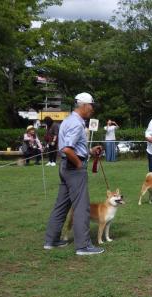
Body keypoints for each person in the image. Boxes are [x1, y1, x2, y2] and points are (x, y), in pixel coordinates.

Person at [44, 92, 105, 255]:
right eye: (91, 105)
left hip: (65, 167)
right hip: (73, 168)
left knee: (61, 205)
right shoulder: (77, 124)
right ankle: (83, 246)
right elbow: (67, 149)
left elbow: (72, 147)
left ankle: (52, 240)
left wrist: (90, 151)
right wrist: (79, 165)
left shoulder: (68, 121)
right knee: (81, 207)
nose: (92, 109)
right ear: (84, 105)